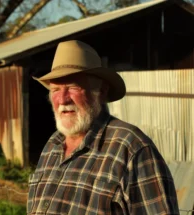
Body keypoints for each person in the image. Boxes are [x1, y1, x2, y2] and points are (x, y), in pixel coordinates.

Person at [27, 40, 179, 215]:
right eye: (55, 90)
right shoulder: (52, 145)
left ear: (101, 91)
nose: (62, 99)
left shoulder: (131, 149)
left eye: (73, 88)